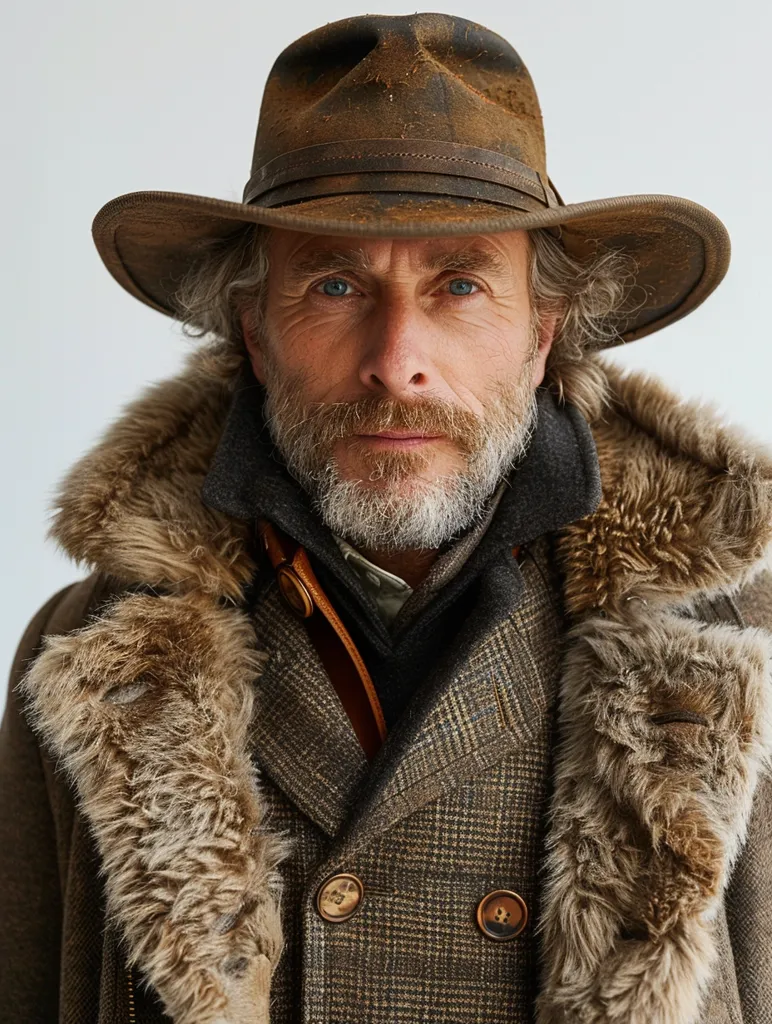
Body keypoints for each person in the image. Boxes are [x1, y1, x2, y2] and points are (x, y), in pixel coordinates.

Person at [2, 12, 771, 1024]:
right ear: (255, 328)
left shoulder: (732, 644)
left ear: (540, 335)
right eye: (333, 283)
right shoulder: (91, 650)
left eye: (459, 285)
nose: (395, 358)